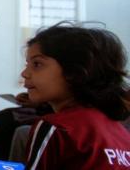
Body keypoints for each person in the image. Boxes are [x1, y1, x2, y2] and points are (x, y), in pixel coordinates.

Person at [22, 22, 130, 169]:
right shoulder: (121, 133)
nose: (25, 73)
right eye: (27, 64)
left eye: (37, 64)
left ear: (75, 71)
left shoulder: (56, 127)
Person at [0, 92, 52, 161]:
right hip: (40, 109)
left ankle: (7, 165)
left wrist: (39, 103)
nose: (25, 85)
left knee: (12, 125)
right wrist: (26, 97)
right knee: (3, 117)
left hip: (50, 114)